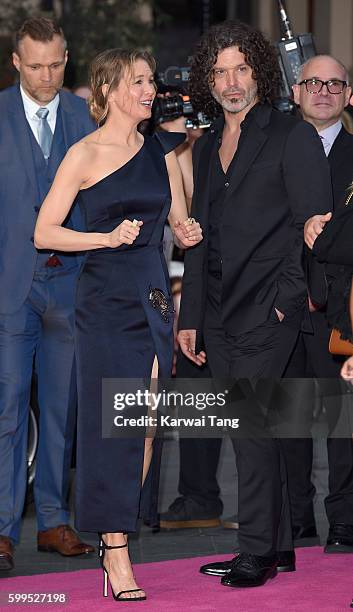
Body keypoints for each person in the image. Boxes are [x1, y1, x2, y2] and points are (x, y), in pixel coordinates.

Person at [34, 47, 202, 601]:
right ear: (107, 92)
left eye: (150, 80)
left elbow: (177, 219)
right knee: (117, 425)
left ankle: (119, 531)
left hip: (152, 295)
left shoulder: (162, 148)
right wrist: (104, 238)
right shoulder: (83, 155)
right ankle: (114, 550)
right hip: (104, 299)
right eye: (137, 82)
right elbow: (45, 232)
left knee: (148, 426)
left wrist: (188, 230)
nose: (148, 90)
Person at [177, 20, 332, 589]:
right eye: (218, 71)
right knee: (251, 425)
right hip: (217, 312)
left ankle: (255, 550)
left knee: (250, 428)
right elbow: (200, 238)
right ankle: (280, 546)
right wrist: (190, 316)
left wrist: (286, 306)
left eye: (240, 67)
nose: (230, 81)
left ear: (260, 72)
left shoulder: (291, 134)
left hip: (270, 309)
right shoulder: (208, 145)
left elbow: (312, 228)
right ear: (207, 81)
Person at [0, 17, 95, 572]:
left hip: (72, 284)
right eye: (35, 65)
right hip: (11, 289)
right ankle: (4, 529)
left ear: (67, 56)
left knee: (63, 410)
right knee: (8, 413)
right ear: (16, 62)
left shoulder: (86, 117)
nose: (46, 75)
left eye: (56, 63)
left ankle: (55, 522)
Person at [279, 55, 353, 551]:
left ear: (349, 95)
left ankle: (345, 522)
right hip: (284, 309)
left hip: (343, 311)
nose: (323, 90)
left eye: (334, 84)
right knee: (287, 421)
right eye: (313, 82)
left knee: (345, 424)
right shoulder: (270, 151)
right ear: (296, 91)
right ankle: (296, 522)